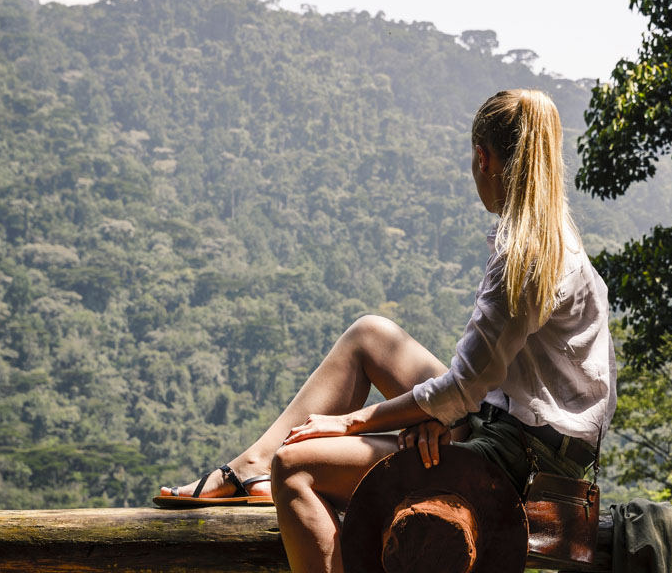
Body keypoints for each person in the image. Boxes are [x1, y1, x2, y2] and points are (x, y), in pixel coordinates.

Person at [156, 88, 617, 572]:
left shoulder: (525, 259)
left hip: (516, 461)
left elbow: (460, 389)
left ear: (483, 159)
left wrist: (350, 423)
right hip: (512, 427)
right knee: (370, 335)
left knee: (294, 468)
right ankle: (251, 467)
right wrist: (436, 416)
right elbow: (472, 388)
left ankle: (269, 471)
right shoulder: (558, 245)